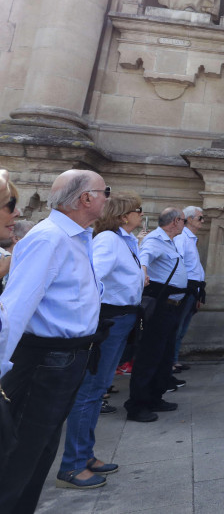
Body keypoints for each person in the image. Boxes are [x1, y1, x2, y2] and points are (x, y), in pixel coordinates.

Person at [0, 170, 108, 512]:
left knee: (43, 447)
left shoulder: (78, 237)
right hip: (45, 361)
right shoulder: (49, 238)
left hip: (68, 359)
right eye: (104, 190)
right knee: (23, 450)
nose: (108, 196)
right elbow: (15, 308)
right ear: (86, 199)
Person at [57, 192, 146, 489]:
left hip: (123, 319)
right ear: (124, 216)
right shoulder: (109, 240)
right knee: (91, 390)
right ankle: (72, 464)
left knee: (97, 389)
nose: (141, 215)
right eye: (137, 210)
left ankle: (85, 455)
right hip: (112, 320)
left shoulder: (123, 240)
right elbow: (94, 278)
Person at [126, 207, 188, 423]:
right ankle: (137, 404)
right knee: (150, 355)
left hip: (173, 307)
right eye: (183, 220)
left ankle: (155, 397)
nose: (185, 223)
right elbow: (145, 255)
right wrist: (142, 271)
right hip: (160, 307)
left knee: (165, 354)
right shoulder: (155, 239)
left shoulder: (170, 241)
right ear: (175, 222)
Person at [173, 206, 206, 372]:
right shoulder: (182, 238)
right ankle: (170, 362)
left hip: (193, 288)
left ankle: (174, 360)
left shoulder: (190, 239)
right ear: (190, 219)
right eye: (200, 218)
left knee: (182, 327)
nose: (202, 221)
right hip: (186, 288)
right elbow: (179, 263)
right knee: (177, 327)